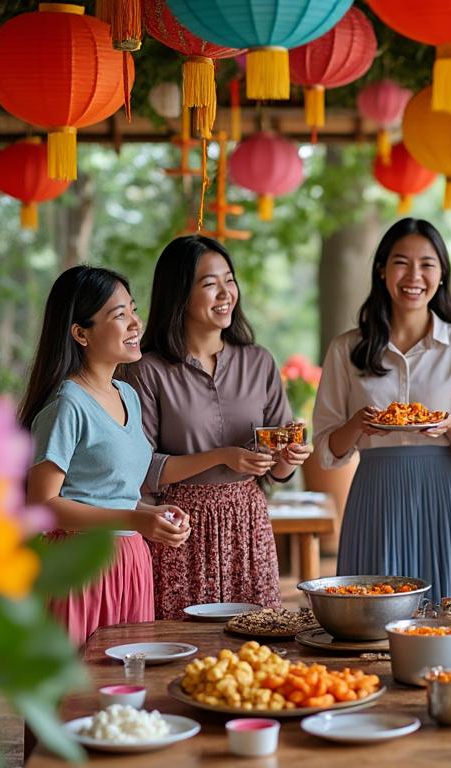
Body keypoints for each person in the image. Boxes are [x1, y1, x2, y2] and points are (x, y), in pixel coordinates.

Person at [123, 236, 311, 618]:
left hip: (248, 521)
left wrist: (290, 456)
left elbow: (277, 469)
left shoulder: (258, 362)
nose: (225, 293)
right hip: (180, 526)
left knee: (256, 643)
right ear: (180, 294)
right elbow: (141, 467)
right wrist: (224, 456)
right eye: (210, 283)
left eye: (229, 279)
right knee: (184, 644)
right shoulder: (149, 369)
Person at [312, 218, 451, 606]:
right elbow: (327, 448)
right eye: (401, 262)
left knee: (450, 620)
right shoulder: (347, 349)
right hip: (376, 494)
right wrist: (358, 424)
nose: (414, 275)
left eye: (427, 263)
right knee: (370, 621)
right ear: (381, 270)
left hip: (442, 492)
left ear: (442, 273)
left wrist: (449, 424)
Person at [20, 265, 190, 645]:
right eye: (119, 315)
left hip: (132, 561)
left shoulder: (127, 395)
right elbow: (43, 504)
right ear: (80, 333)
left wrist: (151, 516)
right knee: (80, 695)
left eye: (132, 309)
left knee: (128, 691)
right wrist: (134, 517)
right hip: (81, 565)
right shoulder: (68, 406)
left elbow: (110, 495)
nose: (135, 323)